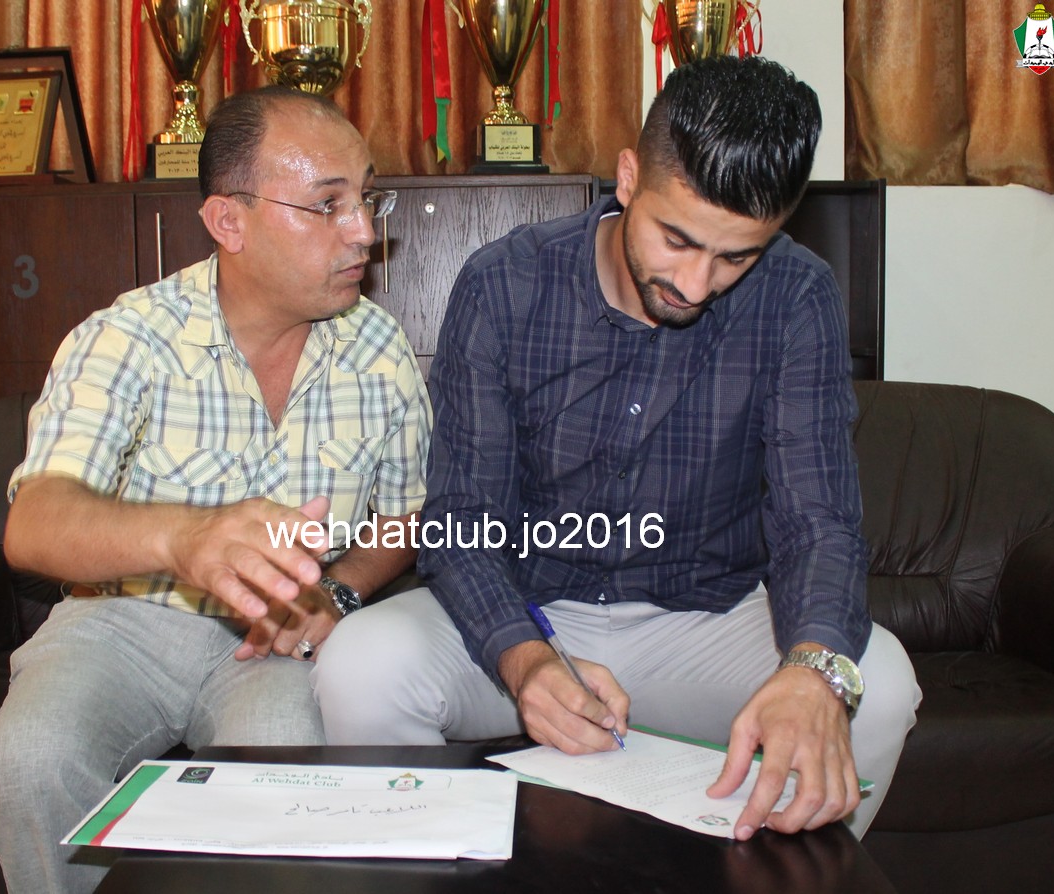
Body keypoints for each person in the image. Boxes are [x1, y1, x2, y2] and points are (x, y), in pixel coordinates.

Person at [315, 56, 921, 841]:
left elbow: (820, 519)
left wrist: (812, 670)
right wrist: (524, 658)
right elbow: (462, 519)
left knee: (878, 684)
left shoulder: (797, 297)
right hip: (534, 608)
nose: (697, 284)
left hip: (707, 622)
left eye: (737, 256)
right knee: (361, 666)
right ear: (629, 178)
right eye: (678, 239)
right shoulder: (505, 284)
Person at [0, 87, 431, 894]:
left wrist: (340, 591)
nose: (364, 229)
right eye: (328, 205)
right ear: (229, 221)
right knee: (32, 760)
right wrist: (185, 537)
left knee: (284, 778)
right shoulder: (130, 336)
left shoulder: (378, 349)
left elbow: (404, 516)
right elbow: (35, 521)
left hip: (274, 632)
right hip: (122, 621)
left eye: (367, 197)